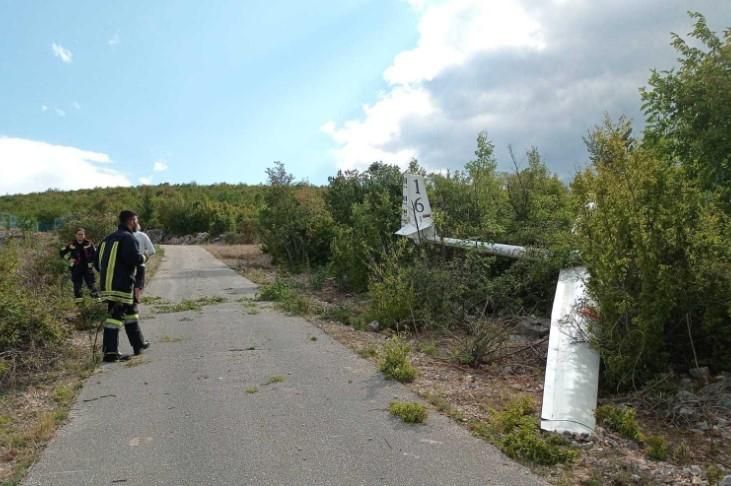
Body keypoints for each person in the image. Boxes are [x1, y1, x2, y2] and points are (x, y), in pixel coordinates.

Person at [95, 211, 150, 362]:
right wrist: (144, 256)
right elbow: (134, 259)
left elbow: (96, 263)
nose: (137, 224)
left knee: (131, 313)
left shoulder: (107, 239)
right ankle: (110, 354)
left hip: (108, 285)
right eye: (136, 221)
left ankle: (138, 344)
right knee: (115, 318)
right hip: (121, 286)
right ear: (131, 221)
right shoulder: (128, 238)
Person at [60, 228, 99, 303]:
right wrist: (69, 258)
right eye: (79, 234)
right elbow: (62, 252)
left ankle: (97, 303)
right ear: (76, 235)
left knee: (91, 285)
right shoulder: (71, 244)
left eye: (82, 234)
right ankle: (79, 304)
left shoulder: (89, 244)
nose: (80, 236)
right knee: (77, 286)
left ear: (84, 235)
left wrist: (93, 263)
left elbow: (95, 254)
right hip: (76, 268)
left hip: (88, 268)